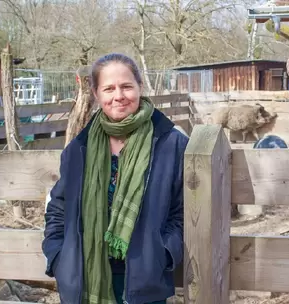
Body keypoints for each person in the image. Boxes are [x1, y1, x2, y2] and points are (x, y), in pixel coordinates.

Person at [42, 53, 189, 304]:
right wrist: (58, 257)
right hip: (85, 279)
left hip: (145, 281)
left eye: (126, 86)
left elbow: (185, 209)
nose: (118, 95)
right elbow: (58, 209)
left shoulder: (171, 143)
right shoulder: (79, 149)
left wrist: (162, 253)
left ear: (140, 88)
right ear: (97, 94)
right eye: (109, 88)